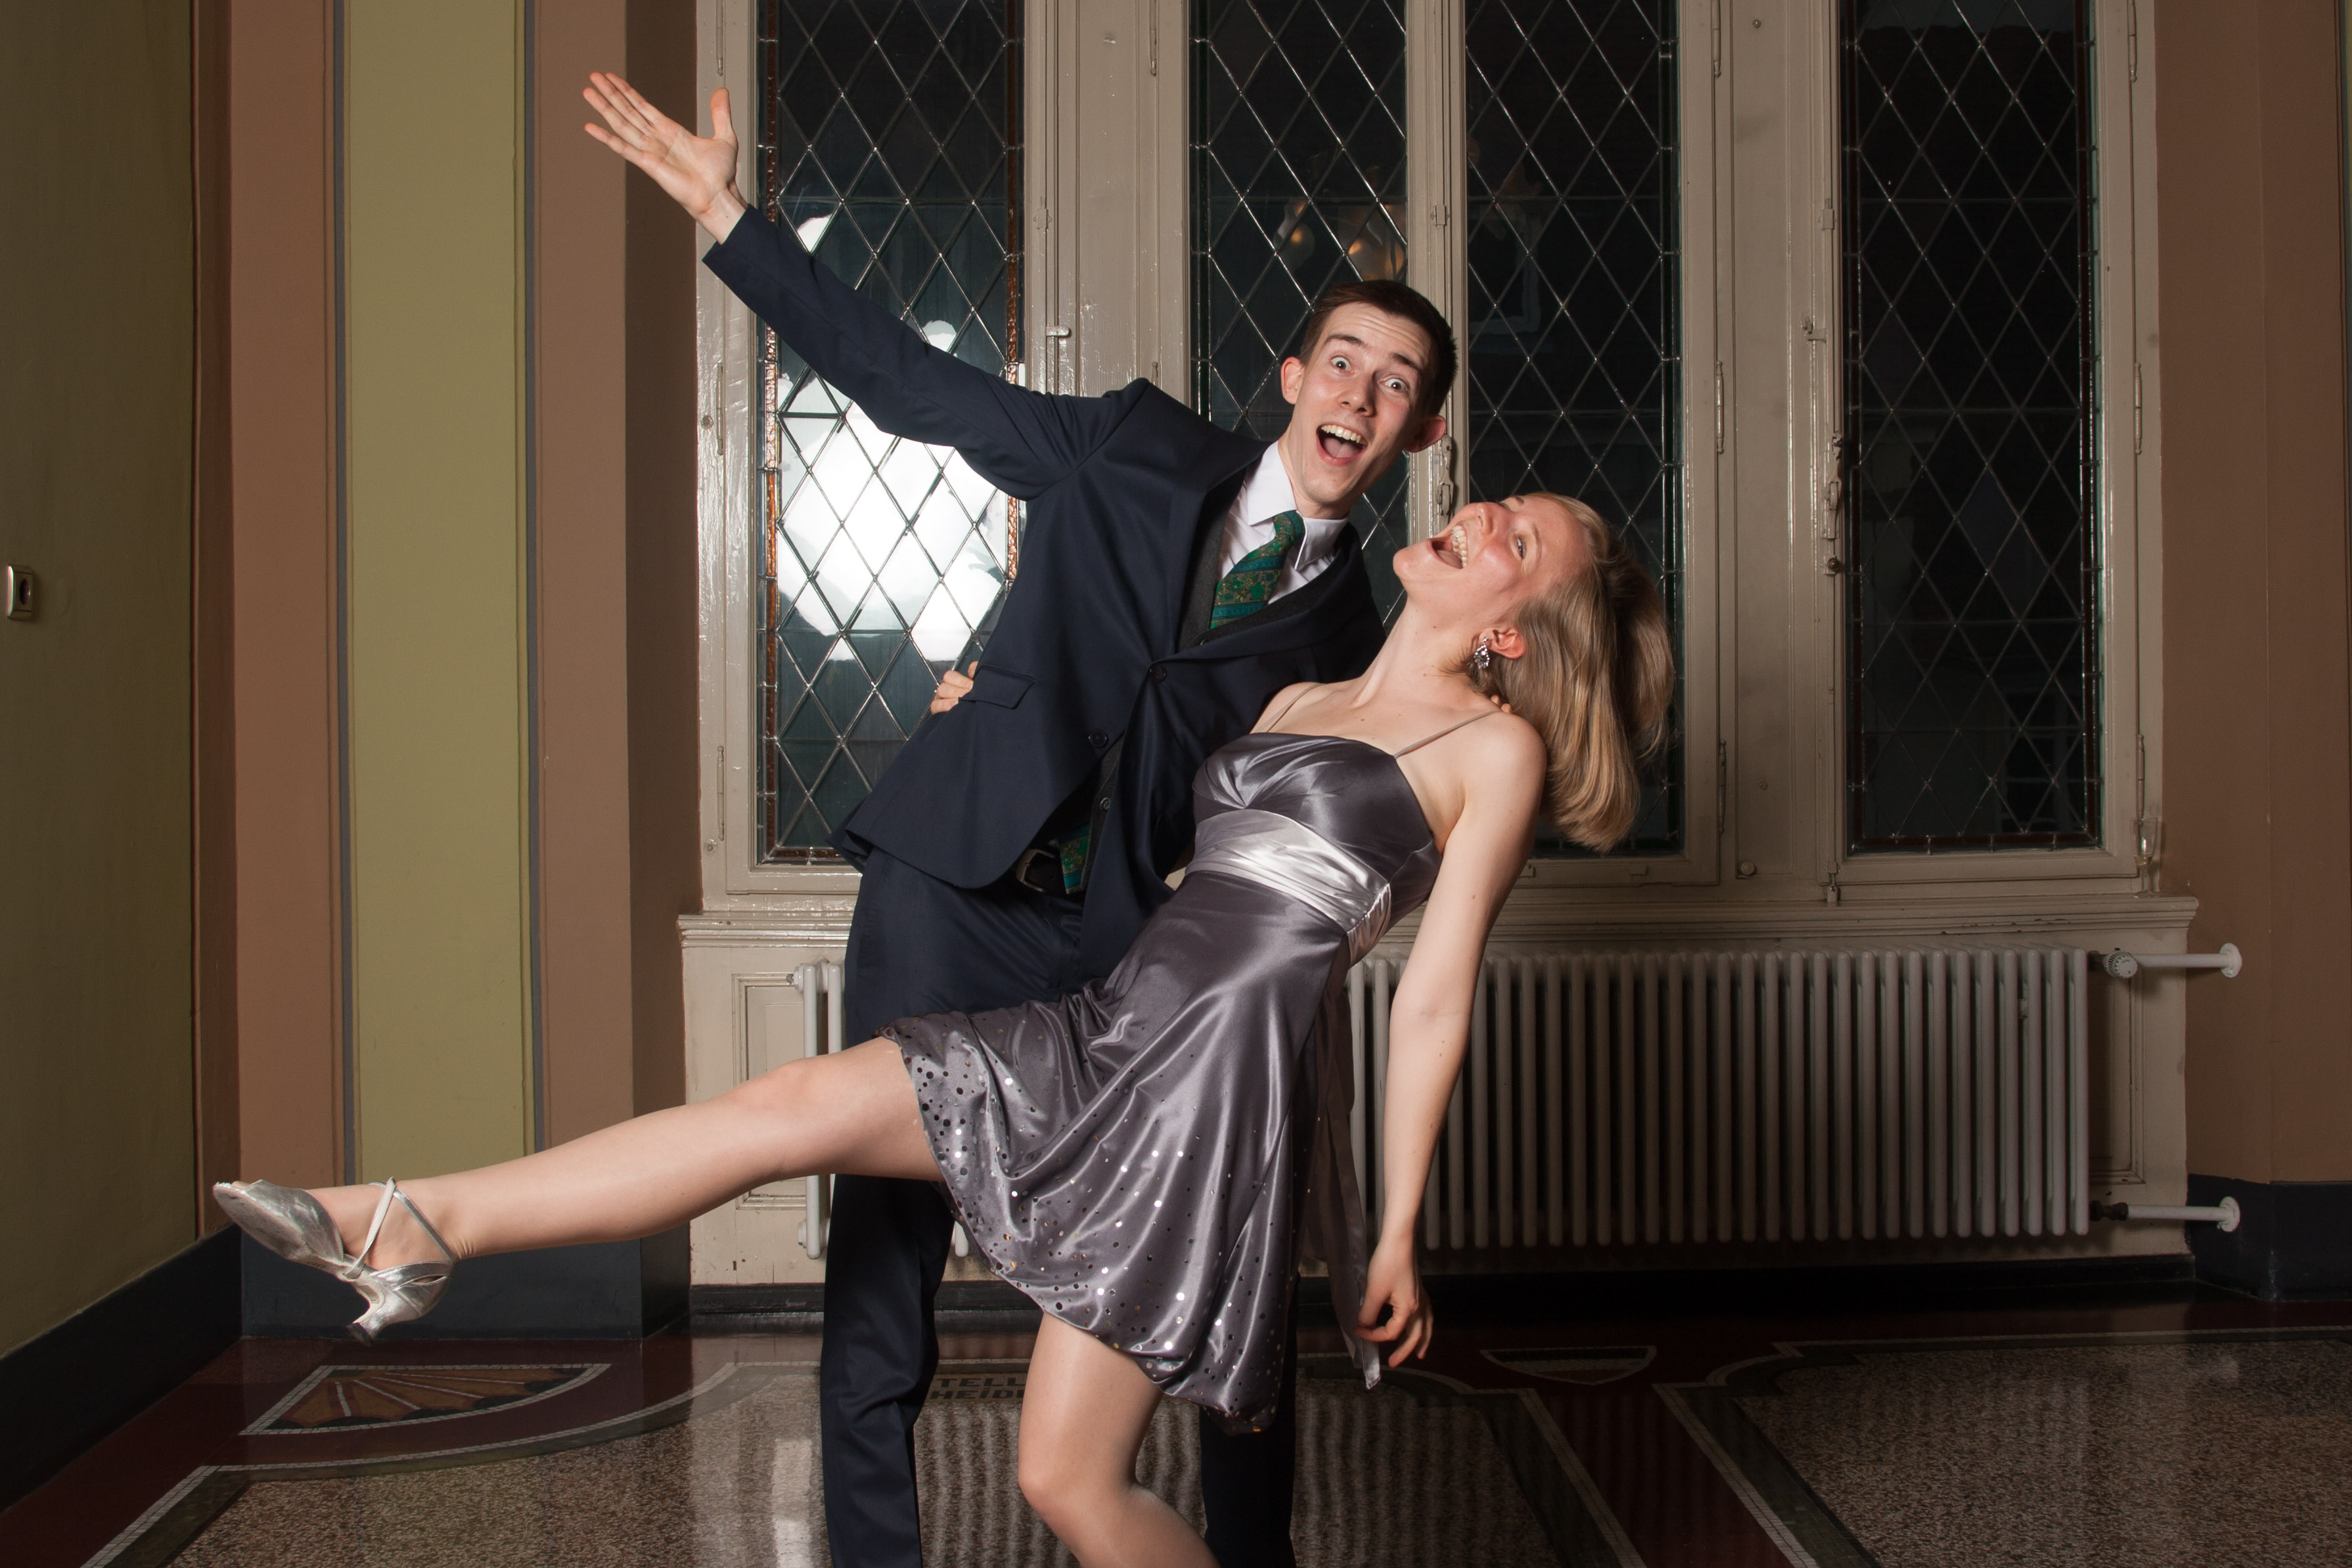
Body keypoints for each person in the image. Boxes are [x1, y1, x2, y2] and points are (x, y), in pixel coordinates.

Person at [215, 483, 1675, 1568]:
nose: (1483, 516)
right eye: (1500, 505)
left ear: (1512, 628)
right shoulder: (1299, 689)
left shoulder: (1494, 750)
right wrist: (981, 712)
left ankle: (417, 1227)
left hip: (1200, 1109)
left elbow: (1433, 995)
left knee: (1064, 1483)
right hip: (1104, 1030)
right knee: (784, 1107)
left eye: (1520, 539)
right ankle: (417, 1226)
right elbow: (1133, 798)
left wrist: (1394, 1228)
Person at [569, 72, 1448, 1568]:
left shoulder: (1362, 633)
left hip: (1127, 955)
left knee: (1211, 1259)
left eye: (1396, 385)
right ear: (1292, 374)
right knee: (885, 1255)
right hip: (951, 881)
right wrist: (728, 216)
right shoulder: (1130, 444)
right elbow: (916, 390)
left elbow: (1338, 822)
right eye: (1343, 362)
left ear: (1418, 430)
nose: (1358, 399)